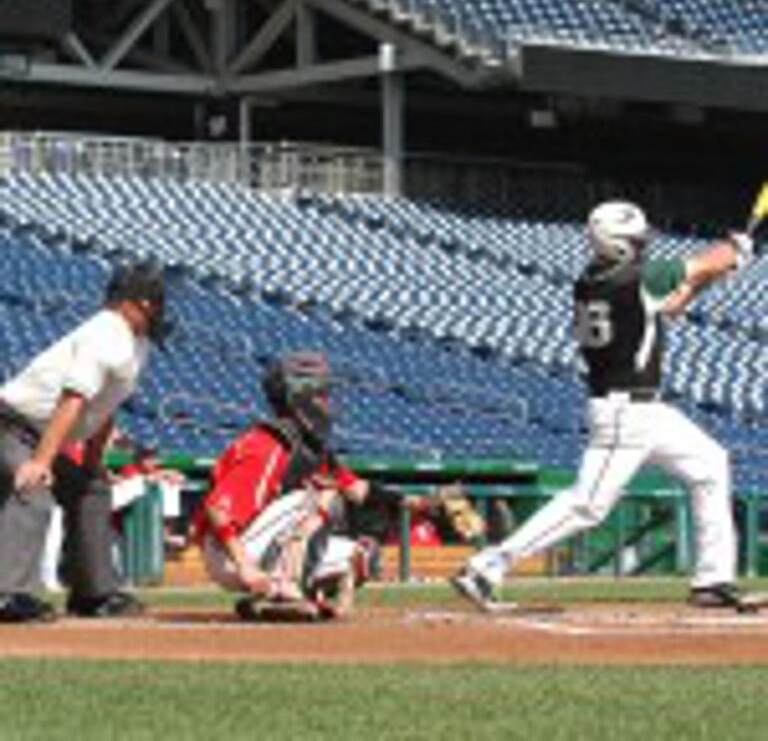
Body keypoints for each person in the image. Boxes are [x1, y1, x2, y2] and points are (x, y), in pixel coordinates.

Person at [452, 197, 764, 611]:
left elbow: (674, 301)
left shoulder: (596, 278)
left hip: (644, 410)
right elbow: (705, 262)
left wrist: (717, 271)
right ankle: (486, 567)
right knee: (587, 505)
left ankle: (712, 580)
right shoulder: (632, 279)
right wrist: (736, 248)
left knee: (710, 464)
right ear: (618, 244)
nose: (643, 245)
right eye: (636, 240)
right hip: (624, 412)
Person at [0, 260, 167, 621]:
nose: (155, 308)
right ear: (130, 303)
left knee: (91, 489)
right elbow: (72, 400)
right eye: (149, 301)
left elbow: (105, 406)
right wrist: (42, 463)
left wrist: (92, 464)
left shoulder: (137, 344)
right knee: (33, 489)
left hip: (35, 432)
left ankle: (94, 593)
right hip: (9, 424)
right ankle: (8, 594)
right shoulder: (107, 332)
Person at [191, 351, 385, 620]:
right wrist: (245, 567)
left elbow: (357, 489)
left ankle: (272, 597)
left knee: (362, 557)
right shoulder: (268, 444)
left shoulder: (307, 446)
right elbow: (218, 510)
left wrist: (425, 501)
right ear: (300, 397)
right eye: (321, 395)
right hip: (230, 551)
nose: (327, 403)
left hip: (260, 545)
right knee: (322, 494)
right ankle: (287, 588)